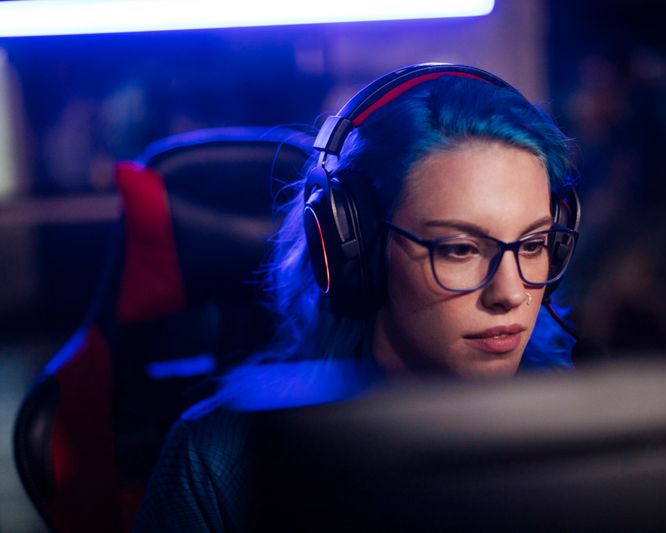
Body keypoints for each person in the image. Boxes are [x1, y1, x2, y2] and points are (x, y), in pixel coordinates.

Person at [132, 63, 580, 531]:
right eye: (460, 249)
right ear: (356, 250)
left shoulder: (592, 439)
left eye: (532, 246)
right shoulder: (220, 464)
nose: (510, 293)